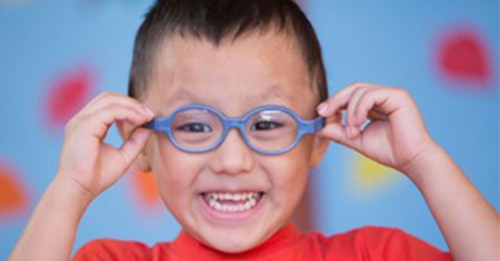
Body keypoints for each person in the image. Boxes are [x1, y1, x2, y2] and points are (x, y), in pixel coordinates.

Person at [7, 0, 499, 260]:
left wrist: (425, 162)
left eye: (266, 124)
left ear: (318, 139)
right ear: (142, 142)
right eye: (195, 125)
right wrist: (68, 189)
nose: (232, 160)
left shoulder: (373, 255)